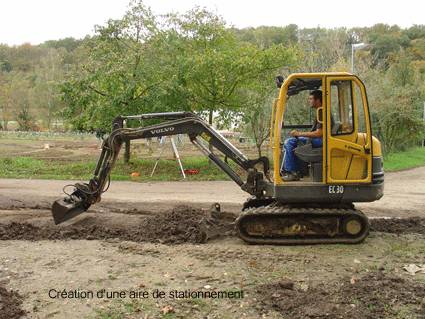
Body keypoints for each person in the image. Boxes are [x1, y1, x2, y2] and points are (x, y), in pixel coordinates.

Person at [281, 90, 324, 181]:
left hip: (321, 140)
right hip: (320, 139)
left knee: (289, 142)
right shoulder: (319, 111)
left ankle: (292, 172)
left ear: (318, 100)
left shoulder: (322, 112)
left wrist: (299, 134)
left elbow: (319, 133)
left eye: (311, 99)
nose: (309, 101)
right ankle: (296, 171)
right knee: (293, 142)